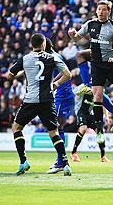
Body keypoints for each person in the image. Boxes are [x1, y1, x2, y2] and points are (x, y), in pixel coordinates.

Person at [68, 0, 113, 144]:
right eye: (99, 9)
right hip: (97, 65)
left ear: (108, 11)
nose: (100, 12)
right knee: (96, 96)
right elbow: (78, 39)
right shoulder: (90, 24)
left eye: (103, 10)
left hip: (112, 64)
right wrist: (72, 35)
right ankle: (100, 131)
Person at [6, 33, 72, 176]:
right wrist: (55, 84)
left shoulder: (25, 59)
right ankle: (65, 164)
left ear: (32, 44)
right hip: (47, 100)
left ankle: (23, 161)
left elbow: (9, 75)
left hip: (30, 100)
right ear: (43, 44)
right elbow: (68, 74)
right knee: (53, 132)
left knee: (16, 128)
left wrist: (20, 73)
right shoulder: (52, 58)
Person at [44, 38, 75, 174]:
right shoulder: (56, 56)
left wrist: (51, 84)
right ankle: (61, 160)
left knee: (54, 128)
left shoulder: (53, 57)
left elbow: (65, 73)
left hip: (62, 95)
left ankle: (61, 162)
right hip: (64, 95)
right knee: (58, 127)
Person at [71, 84, 109, 163]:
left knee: (99, 131)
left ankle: (103, 156)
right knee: (83, 128)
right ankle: (74, 153)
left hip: (89, 113)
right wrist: (79, 93)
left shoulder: (100, 90)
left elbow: (104, 104)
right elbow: (74, 93)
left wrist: (107, 116)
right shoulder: (83, 86)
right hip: (80, 111)